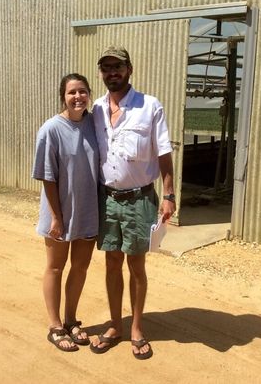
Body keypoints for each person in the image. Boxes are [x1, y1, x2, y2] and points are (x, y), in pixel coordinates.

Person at [89, 46, 176, 360]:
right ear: (102, 73)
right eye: (107, 67)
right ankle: (115, 325)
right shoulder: (96, 109)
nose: (112, 72)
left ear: (129, 69)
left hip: (139, 199)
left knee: (136, 266)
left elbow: (163, 152)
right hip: (107, 199)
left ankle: (136, 328)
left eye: (118, 66)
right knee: (112, 263)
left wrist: (169, 195)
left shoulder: (149, 106)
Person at [32, 73, 99, 352]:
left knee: (80, 267)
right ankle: (55, 325)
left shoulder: (95, 124)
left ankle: (71, 320)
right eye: (72, 92)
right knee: (55, 267)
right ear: (63, 96)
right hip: (59, 211)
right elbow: (47, 176)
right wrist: (57, 217)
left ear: (89, 94)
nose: (77, 97)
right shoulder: (51, 129)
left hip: (88, 209)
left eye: (82, 91)